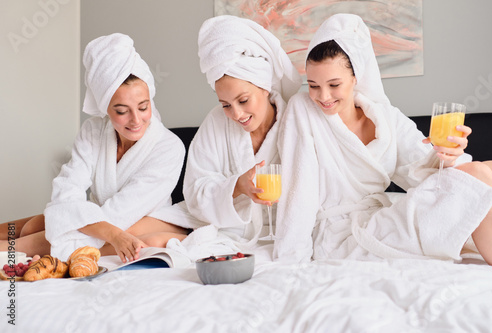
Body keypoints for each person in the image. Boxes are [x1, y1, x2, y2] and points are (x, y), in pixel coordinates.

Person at [274, 13, 492, 270]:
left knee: (491, 169)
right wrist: (290, 261)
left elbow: (424, 168)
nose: (322, 96)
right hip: (341, 238)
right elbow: (298, 190)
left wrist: (447, 153)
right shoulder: (302, 110)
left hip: (381, 219)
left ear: (355, 77)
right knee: (477, 174)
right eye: (313, 85)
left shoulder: (385, 116)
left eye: (334, 84)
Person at [0, 33, 188, 262]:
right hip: (98, 221)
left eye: (143, 107)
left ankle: (9, 249)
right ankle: (13, 239)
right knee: (32, 226)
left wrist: (82, 223)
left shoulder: (169, 148)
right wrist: (112, 234)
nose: (136, 120)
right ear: (105, 108)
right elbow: (65, 194)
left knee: (32, 234)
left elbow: (119, 214)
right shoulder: (93, 131)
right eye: (121, 111)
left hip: (139, 220)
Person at [182, 15, 302, 248]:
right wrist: (236, 186)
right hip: (229, 233)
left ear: (265, 88)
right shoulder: (216, 122)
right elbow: (195, 192)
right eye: (226, 104)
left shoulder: (296, 120)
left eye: (243, 100)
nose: (236, 114)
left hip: (286, 232)